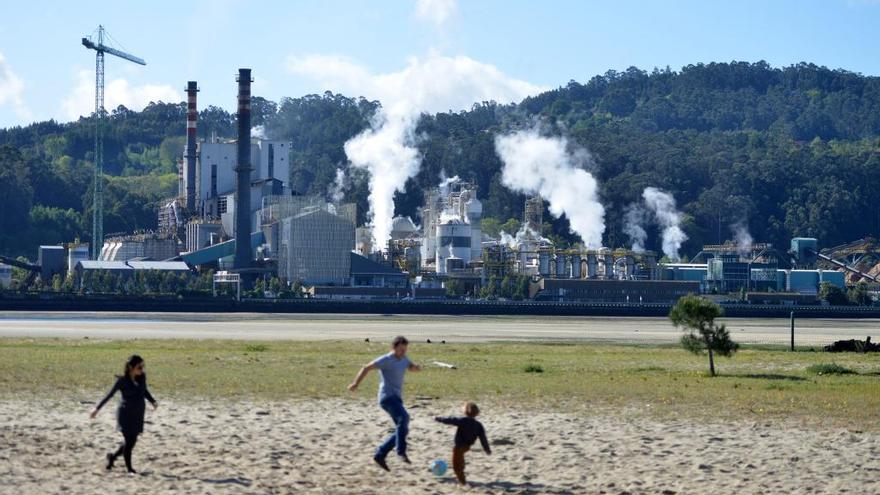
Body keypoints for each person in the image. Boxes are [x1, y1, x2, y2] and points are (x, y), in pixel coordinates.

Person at [348, 336, 421, 471]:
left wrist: (415, 368)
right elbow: (366, 368)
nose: (403, 352)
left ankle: (380, 454)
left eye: (405, 350)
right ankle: (400, 452)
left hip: (397, 398)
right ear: (393, 348)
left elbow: (409, 366)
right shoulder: (386, 360)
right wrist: (355, 383)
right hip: (386, 397)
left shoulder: (404, 359)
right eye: (401, 350)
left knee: (403, 429)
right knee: (404, 418)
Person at [90, 354, 158, 474]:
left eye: (143, 366)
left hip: (138, 414)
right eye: (139, 367)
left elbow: (144, 391)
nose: (142, 369)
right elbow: (109, 395)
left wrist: (152, 401)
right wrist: (97, 409)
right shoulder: (122, 381)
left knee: (131, 442)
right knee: (129, 440)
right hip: (125, 414)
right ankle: (129, 469)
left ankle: (112, 457)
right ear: (131, 367)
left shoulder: (142, 377)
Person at [435, 402, 491, 485]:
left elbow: (450, 420)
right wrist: (487, 449)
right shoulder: (479, 425)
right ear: (477, 413)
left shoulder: (462, 420)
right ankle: (462, 465)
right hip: (467, 447)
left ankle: (463, 482)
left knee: (456, 467)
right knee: (460, 458)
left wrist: (439, 419)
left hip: (458, 447)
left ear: (465, 411)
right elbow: (483, 438)